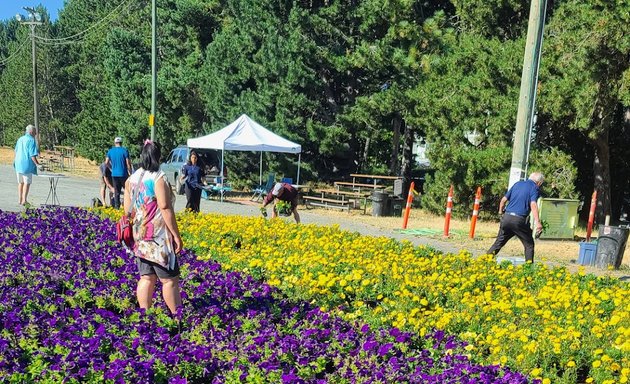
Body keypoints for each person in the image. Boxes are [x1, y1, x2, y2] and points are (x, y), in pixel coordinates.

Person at [124, 140, 183, 314]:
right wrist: (176, 235)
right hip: (158, 237)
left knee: (146, 277)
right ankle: (176, 317)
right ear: (158, 156)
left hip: (140, 236)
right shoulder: (158, 177)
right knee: (169, 280)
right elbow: (165, 207)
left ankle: (144, 314)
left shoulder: (132, 178)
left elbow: (127, 210)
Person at [487, 172, 544, 263]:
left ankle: (484, 261)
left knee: (499, 243)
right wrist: (537, 222)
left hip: (507, 218)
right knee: (529, 245)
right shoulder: (535, 188)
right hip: (519, 220)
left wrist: (500, 212)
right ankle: (528, 269)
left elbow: (503, 200)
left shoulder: (517, 184)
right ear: (539, 183)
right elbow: (533, 204)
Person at [14, 124, 41, 206]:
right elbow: (32, 155)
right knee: (26, 182)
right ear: (31, 132)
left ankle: (19, 199)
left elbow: (15, 150)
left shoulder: (20, 139)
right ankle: (24, 200)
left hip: (18, 162)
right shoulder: (31, 140)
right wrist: (37, 164)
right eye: (35, 132)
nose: (35, 134)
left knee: (20, 182)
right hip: (26, 164)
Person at [106, 136, 132, 209]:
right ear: (121, 143)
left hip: (114, 174)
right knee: (127, 191)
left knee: (116, 192)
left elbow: (106, 162)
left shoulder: (110, 151)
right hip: (124, 174)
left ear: (115, 143)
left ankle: (117, 208)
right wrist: (130, 172)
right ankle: (128, 207)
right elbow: (128, 163)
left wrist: (111, 168)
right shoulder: (124, 151)